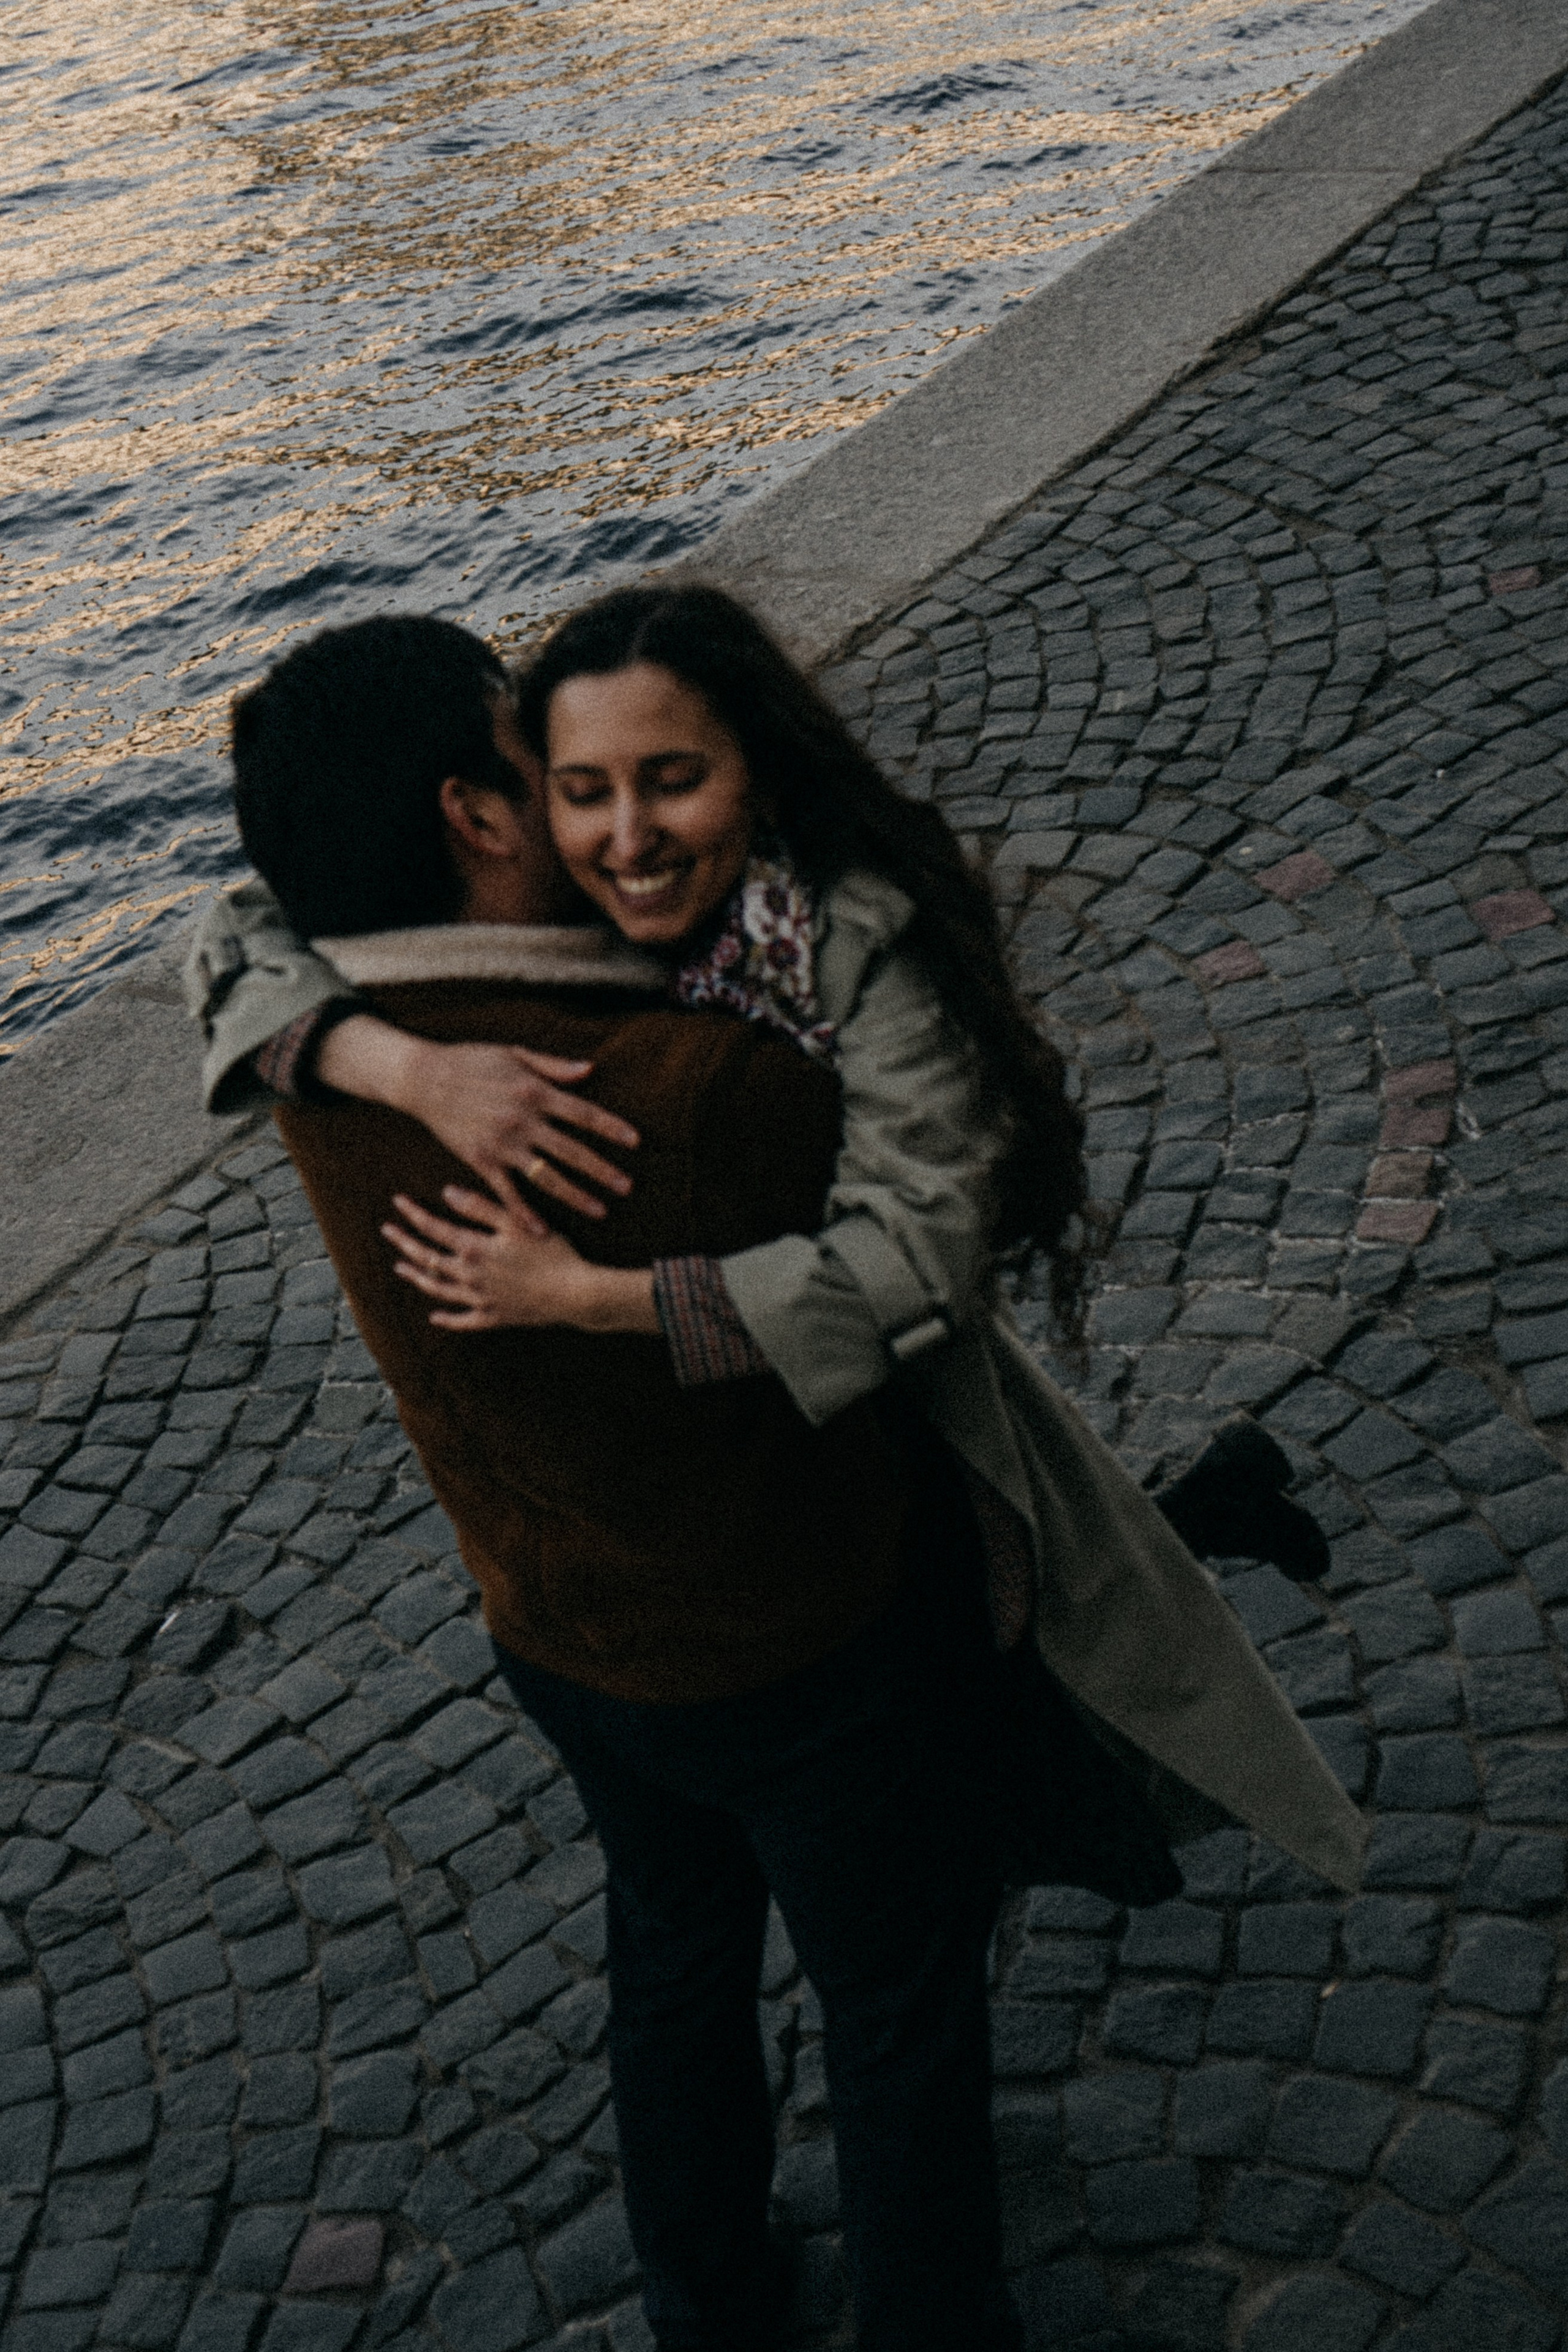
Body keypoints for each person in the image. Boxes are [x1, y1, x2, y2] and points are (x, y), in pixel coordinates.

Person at [191, 593, 1364, 2345]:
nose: (598, 808)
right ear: (476, 812)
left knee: (671, 1960)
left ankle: (711, 2300)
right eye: (545, 763)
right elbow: (906, 1268)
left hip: (560, 1630)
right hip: (797, 1644)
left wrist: (391, 1055)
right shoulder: (694, 1084)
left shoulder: (317, 1054)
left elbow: (230, 930)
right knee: (896, 2017)